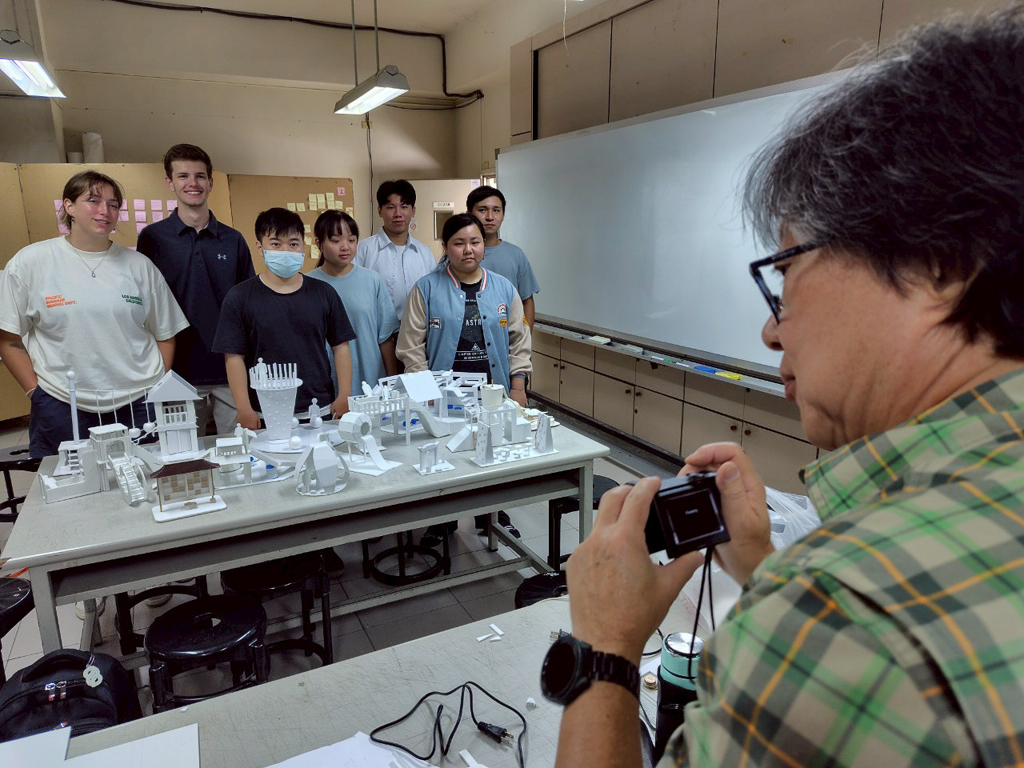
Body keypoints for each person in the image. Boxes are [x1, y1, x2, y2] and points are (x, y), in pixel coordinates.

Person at [551, 9, 1024, 767]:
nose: (773, 331)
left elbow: (855, 638)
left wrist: (604, 647)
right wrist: (762, 565)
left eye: (788, 272)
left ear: (938, 261)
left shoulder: (842, 615)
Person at [0, 170, 188, 459]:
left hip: (138, 401)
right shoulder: (32, 262)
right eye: (94, 201)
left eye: (113, 205)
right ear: (69, 206)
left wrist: (155, 386)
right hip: (63, 401)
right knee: (70, 479)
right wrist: (35, 393)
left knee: (145, 475)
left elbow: (165, 333)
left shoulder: (139, 266)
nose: (105, 211)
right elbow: (8, 337)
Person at [398, 212, 532, 545]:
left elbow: (519, 340)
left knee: (493, 454)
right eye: (459, 243)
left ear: (484, 245)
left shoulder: (504, 288)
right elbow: (411, 347)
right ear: (445, 247)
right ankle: (442, 522)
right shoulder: (426, 288)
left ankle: (494, 516)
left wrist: (518, 386)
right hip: (443, 395)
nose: (468, 250)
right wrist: (426, 394)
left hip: (493, 392)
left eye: (475, 242)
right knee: (445, 456)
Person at [137, 143, 254, 436]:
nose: (193, 183)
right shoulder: (152, 238)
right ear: (170, 182)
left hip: (230, 368)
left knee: (240, 449)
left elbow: (247, 304)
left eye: (200, 176)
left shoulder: (233, 239)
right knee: (183, 453)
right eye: (183, 176)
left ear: (211, 182)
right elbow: (146, 305)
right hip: (177, 371)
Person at [212, 207, 355, 429]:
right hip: (264, 412)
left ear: (303, 246)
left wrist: (344, 395)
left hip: (319, 409)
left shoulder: (323, 293)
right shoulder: (239, 297)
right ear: (260, 247)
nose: (286, 250)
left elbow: (341, 346)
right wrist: (243, 407)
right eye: (276, 244)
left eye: (293, 244)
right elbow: (234, 356)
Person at [308, 209, 399, 393]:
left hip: (371, 382)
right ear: (319, 243)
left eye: (351, 240)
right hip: (325, 384)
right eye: (336, 241)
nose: (345, 247)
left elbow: (386, 338)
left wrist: (392, 380)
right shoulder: (308, 285)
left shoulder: (372, 280)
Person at [354, 179, 436, 320]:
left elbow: (434, 294)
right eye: (391, 207)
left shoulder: (424, 253)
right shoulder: (363, 250)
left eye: (404, 207)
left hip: (418, 329)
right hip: (375, 329)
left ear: (413, 211)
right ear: (380, 211)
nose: (398, 213)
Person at [466, 185, 540, 329]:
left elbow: (527, 301)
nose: (490, 217)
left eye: (496, 210)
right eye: (482, 210)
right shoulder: (458, 255)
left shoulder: (515, 255)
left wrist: (526, 337)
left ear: (503, 215)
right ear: (469, 213)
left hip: (506, 338)